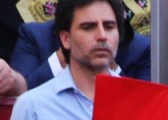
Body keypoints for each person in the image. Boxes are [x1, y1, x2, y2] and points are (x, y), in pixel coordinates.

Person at [6, 0, 122, 120]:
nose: (102, 35)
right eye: (88, 27)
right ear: (65, 38)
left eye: (109, 27)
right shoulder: (32, 106)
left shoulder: (139, 102)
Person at [10, 17, 150, 90]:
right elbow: (20, 98)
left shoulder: (142, 49)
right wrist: (63, 57)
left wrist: (106, 61)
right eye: (87, 27)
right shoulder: (34, 35)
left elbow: (142, 110)